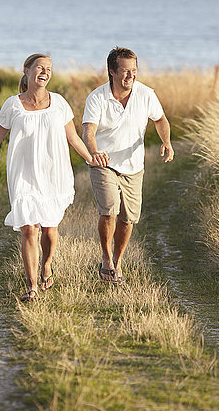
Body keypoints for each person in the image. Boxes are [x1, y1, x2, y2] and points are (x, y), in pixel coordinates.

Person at [0, 53, 98, 301]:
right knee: (28, 231)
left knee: (49, 231)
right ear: (27, 70)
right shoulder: (12, 104)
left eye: (49, 69)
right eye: (40, 67)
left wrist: (91, 158)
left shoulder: (60, 103)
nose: (45, 72)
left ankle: (47, 265)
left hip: (54, 174)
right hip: (23, 175)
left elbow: (73, 138)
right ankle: (32, 287)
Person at [82, 46, 174, 284]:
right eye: (124, 71)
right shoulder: (97, 97)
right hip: (104, 162)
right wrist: (94, 153)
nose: (130, 75)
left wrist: (166, 142)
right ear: (112, 71)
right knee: (110, 209)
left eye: (133, 70)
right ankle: (106, 259)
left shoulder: (146, 94)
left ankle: (118, 260)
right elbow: (88, 131)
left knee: (128, 218)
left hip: (133, 165)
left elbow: (160, 119)